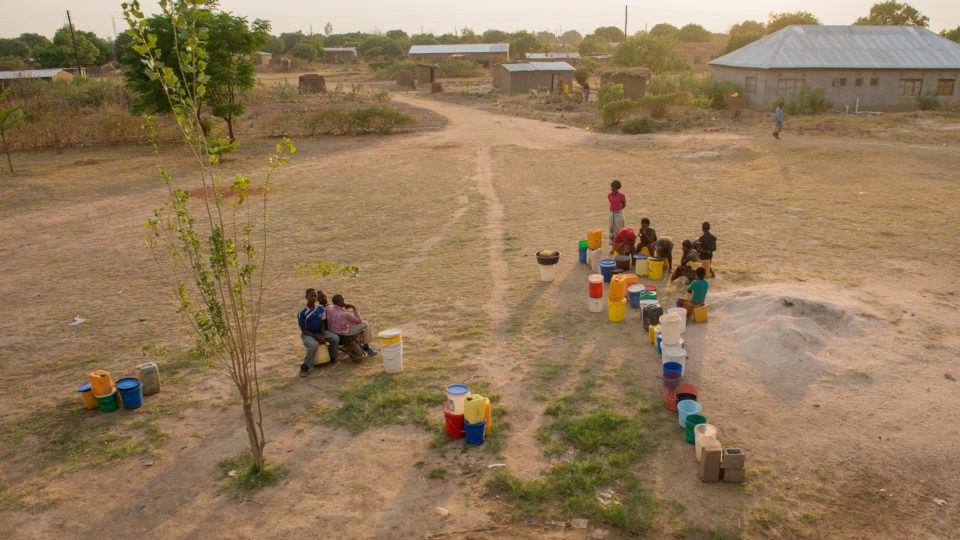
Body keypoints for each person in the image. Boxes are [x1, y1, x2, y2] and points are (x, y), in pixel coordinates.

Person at [297, 288, 338, 377]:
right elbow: (303, 329)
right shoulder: (302, 312)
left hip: (320, 332)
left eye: (315, 295)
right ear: (306, 297)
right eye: (311, 295)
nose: (314, 297)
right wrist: (316, 337)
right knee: (313, 345)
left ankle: (331, 357)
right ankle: (305, 366)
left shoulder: (320, 308)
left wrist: (323, 334)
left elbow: (323, 322)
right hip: (308, 334)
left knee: (335, 338)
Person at [326, 294, 377, 361]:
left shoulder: (329, 308)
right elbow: (358, 321)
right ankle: (366, 347)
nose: (345, 302)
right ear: (339, 302)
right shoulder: (344, 314)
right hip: (344, 336)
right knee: (364, 324)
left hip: (333, 333)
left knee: (352, 324)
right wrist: (354, 308)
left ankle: (360, 343)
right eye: (343, 301)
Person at [607, 180, 626, 249]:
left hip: (619, 214)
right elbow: (610, 202)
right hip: (611, 214)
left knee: (619, 230)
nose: (612, 189)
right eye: (611, 188)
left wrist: (618, 210)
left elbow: (624, 204)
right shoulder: (609, 195)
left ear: (617, 188)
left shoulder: (621, 196)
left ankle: (619, 245)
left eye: (613, 188)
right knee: (611, 230)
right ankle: (612, 247)